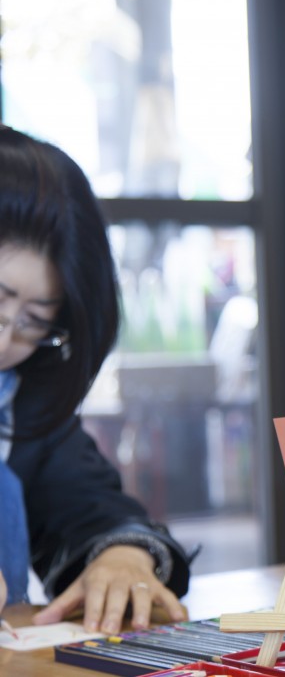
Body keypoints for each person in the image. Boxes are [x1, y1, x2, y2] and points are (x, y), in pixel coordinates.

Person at [0, 125, 192, 632]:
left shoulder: (20, 408)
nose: (2, 345)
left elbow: (89, 507)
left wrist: (123, 555)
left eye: (33, 323)